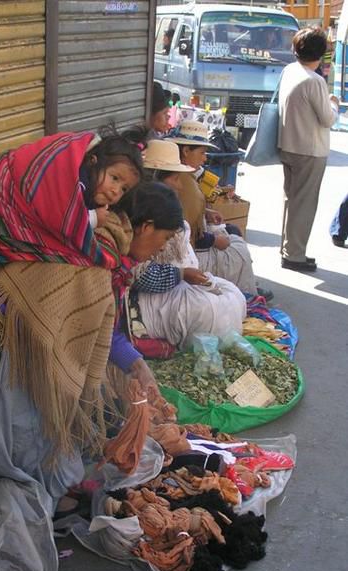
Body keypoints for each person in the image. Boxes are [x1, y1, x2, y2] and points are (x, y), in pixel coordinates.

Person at [0, 124, 185, 493]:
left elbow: (105, 329)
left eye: (123, 188)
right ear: (145, 226)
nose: (163, 249)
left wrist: (137, 366)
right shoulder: (90, 253)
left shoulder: (101, 249)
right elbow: (76, 326)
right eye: (165, 238)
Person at [129, 139, 246, 349]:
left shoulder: (168, 203)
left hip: (176, 286)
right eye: (175, 178)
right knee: (208, 310)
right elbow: (140, 275)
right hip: (149, 300)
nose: (179, 185)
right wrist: (181, 274)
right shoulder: (140, 215)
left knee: (232, 295)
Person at [166, 120, 264, 298]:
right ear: (186, 151)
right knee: (237, 250)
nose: (205, 158)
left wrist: (205, 212)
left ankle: (246, 290)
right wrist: (213, 241)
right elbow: (183, 237)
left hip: (187, 249)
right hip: (184, 258)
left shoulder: (185, 177)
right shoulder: (182, 182)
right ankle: (245, 294)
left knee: (234, 235)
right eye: (202, 153)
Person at [278, 26, 339, 272]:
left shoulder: (290, 70)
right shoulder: (314, 81)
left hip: (288, 144)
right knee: (304, 204)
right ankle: (294, 254)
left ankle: (289, 248)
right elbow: (327, 119)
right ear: (321, 53)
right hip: (309, 150)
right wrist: (333, 104)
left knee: (291, 200)